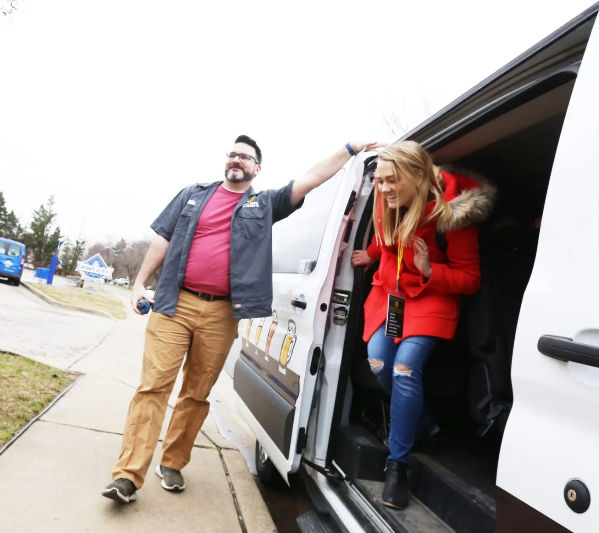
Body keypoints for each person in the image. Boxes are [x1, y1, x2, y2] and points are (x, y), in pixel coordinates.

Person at [102, 135, 381, 503]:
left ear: (256, 168)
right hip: (174, 303)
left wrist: (351, 149)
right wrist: (139, 283)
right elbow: (163, 240)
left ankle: (171, 462)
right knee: (153, 387)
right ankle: (128, 475)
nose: (237, 159)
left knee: (196, 393)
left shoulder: (264, 204)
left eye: (245, 156)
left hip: (221, 313)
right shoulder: (193, 195)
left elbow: (312, 177)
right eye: (232, 153)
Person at [351, 140, 494, 510]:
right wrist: (371, 253)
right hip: (390, 296)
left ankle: (397, 463)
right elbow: (388, 244)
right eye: (379, 182)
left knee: (404, 368)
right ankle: (427, 427)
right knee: (379, 362)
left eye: (391, 181)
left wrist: (431, 269)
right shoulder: (388, 199)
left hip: (431, 294)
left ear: (418, 175)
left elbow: (470, 278)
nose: (383, 189)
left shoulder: (452, 215)